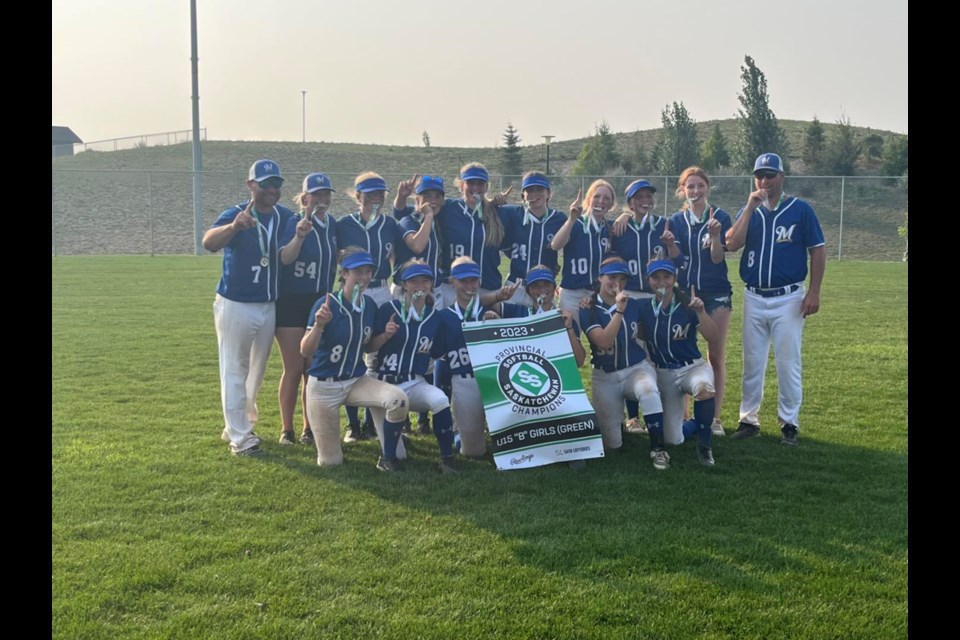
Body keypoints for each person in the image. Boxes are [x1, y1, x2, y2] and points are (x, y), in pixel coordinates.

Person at [724, 153, 825, 446]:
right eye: (760, 175)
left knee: (787, 362)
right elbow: (731, 243)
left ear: (782, 176)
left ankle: (789, 424)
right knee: (752, 361)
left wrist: (814, 291)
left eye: (770, 175)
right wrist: (748, 207)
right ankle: (748, 419)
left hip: (788, 298)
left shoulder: (800, 209)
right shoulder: (752, 210)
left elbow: (817, 250)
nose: (764, 181)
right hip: (754, 296)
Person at [202, 159, 295, 457]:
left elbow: (286, 255)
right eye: (265, 183)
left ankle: (238, 425)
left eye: (276, 184)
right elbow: (208, 242)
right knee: (234, 368)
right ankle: (240, 439)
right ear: (250, 185)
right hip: (236, 303)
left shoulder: (284, 217)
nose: (271, 189)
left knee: (256, 369)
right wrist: (233, 227)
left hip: (267, 303)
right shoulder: (238, 213)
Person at [300, 247, 409, 471]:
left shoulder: (368, 305)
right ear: (344, 274)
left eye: (368, 271)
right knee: (331, 462)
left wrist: (384, 336)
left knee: (398, 399)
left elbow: (369, 347)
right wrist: (319, 326)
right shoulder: (327, 303)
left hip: (356, 381)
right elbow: (305, 350)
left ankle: (387, 454)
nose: (365, 277)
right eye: (358, 271)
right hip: (324, 386)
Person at [366, 259, 458, 474]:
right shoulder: (389, 308)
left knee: (440, 400)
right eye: (413, 281)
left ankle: (446, 457)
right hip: (384, 382)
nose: (420, 286)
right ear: (404, 285)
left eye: (425, 281)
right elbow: (369, 347)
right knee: (398, 449)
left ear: (431, 285)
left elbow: (437, 353)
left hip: (414, 380)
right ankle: (387, 458)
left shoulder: (435, 317)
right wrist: (385, 335)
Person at [579, 257, 667, 470]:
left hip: (636, 368)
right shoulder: (587, 308)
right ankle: (617, 422)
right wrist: (619, 311)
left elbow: (662, 306)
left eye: (621, 278)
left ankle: (658, 448)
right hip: (605, 375)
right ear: (600, 278)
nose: (616, 282)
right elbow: (603, 340)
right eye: (611, 277)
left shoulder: (635, 304)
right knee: (612, 444)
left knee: (648, 390)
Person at [275, 172, 339, 447]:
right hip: (291, 300)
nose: (322, 200)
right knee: (293, 367)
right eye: (316, 195)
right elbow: (285, 259)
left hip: (319, 300)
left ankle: (308, 427)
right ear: (304, 198)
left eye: (326, 194)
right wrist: (299, 237)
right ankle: (286, 429)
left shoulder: (332, 224)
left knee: (312, 368)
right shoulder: (293, 222)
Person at [669, 167, 733, 437]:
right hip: (684, 294)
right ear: (682, 190)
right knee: (683, 355)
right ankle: (684, 416)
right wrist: (671, 245)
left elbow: (718, 258)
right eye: (690, 187)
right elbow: (675, 259)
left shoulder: (720, 217)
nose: (695, 191)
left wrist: (717, 236)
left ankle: (715, 417)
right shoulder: (675, 220)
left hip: (716, 293)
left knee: (715, 355)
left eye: (699, 186)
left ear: (708, 187)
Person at [636, 260, 720, 467]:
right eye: (656, 277)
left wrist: (701, 312)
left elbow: (714, 337)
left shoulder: (688, 305)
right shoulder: (643, 306)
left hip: (692, 367)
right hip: (663, 373)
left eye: (667, 277)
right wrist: (589, 301)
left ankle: (704, 446)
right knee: (673, 439)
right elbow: (612, 305)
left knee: (703, 388)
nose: (661, 282)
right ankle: (694, 424)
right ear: (649, 281)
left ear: (674, 279)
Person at [337, 172, 398, 442]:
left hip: (383, 288)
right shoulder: (343, 225)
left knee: (380, 353)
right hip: (353, 287)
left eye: (380, 194)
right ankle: (353, 425)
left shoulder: (389, 224)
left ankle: (374, 420)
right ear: (358, 195)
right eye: (370, 194)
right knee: (351, 351)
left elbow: (401, 253)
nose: (375, 199)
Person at [391, 175, 447, 436]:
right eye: (427, 196)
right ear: (418, 199)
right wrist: (425, 217)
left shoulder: (437, 221)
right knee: (401, 347)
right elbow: (416, 245)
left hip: (428, 290)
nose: (432, 201)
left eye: (437, 196)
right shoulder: (409, 220)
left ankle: (424, 416)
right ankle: (398, 415)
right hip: (405, 291)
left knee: (427, 352)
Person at [433, 257, 493, 459]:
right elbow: (438, 357)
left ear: (479, 281)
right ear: (452, 281)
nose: (469, 286)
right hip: (465, 380)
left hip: (495, 380)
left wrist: (498, 323)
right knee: (474, 452)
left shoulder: (492, 312)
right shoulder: (443, 316)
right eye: (463, 281)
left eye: (473, 280)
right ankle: (461, 431)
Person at [550, 179, 615, 326]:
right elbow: (555, 245)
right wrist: (572, 219)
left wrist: (625, 215)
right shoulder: (576, 224)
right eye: (597, 197)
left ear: (611, 205)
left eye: (606, 198)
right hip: (572, 293)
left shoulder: (610, 228)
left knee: (601, 341)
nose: (601, 201)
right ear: (588, 199)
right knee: (570, 338)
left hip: (599, 293)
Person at [497, 172, 566, 306]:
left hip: (544, 288)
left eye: (540, 189)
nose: (535, 194)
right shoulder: (512, 213)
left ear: (548, 194)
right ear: (523, 196)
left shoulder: (559, 219)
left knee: (544, 326)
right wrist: (494, 202)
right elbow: (485, 210)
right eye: (530, 190)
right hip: (516, 286)